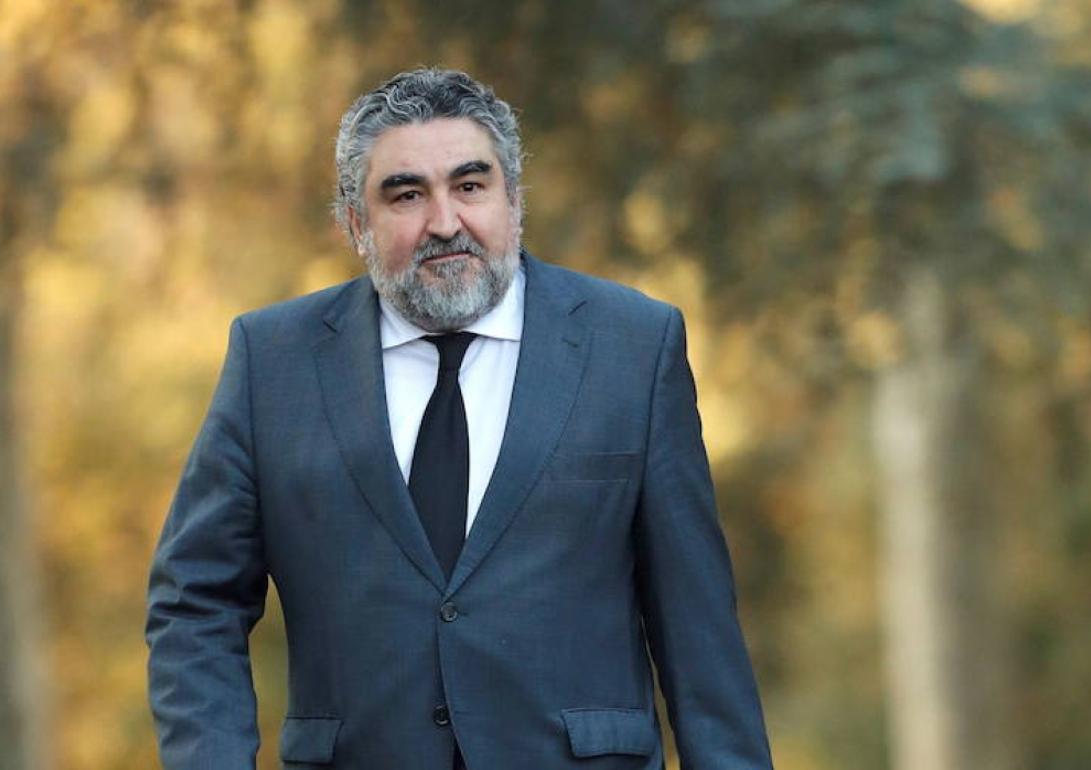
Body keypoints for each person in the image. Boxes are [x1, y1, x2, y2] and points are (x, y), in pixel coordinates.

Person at [146, 67, 773, 770]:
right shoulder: (273, 361)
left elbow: (697, 624)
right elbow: (194, 604)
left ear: (514, 200)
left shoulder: (633, 345)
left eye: (470, 186)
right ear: (354, 222)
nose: (444, 223)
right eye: (406, 195)